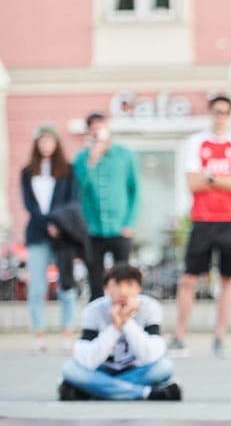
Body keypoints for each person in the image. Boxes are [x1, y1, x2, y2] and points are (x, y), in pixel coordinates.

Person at [169, 94, 231, 359]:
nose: (220, 115)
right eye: (216, 111)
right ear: (210, 112)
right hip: (202, 218)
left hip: (228, 219)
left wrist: (211, 177)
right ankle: (180, 334)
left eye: (225, 111)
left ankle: (220, 336)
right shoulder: (196, 142)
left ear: (230, 115)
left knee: (226, 280)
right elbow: (192, 182)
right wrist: (224, 178)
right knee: (189, 278)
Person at [59, 263, 181, 401]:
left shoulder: (150, 308)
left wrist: (127, 321)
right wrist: (115, 328)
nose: (123, 292)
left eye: (129, 285)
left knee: (164, 367)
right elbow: (87, 360)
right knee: (70, 369)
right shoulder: (93, 310)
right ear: (106, 288)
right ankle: (145, 393)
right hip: (101, 369)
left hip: (136, 370)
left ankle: (93, 390)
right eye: (116, 285)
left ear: (139, 289)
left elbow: (151, 356)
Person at [21, 124, 82, 354]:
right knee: (37, 286)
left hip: (63, 234)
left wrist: (57, 223)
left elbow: (72, 201)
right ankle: (39, 334)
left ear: (56, 143)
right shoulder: (28, 172)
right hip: (37, 234)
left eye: (50, 141)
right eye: (42, 141)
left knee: (66, 284)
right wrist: (45, 223)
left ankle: (68, 332)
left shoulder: (68, 171)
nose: (46, 145)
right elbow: (29, 203)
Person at [72, 112, 140, 301]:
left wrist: (130, 223)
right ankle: (95, 327)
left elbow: (135, 191)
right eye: (92, 128)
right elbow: (78, 190)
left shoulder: (125, 155)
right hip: (92, 229)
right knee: (95, 279)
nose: (96, 132)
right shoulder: (81, 159)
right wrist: (91, 162)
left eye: (99, 127)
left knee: (123, 278)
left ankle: (124, 319)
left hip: (120, 227)